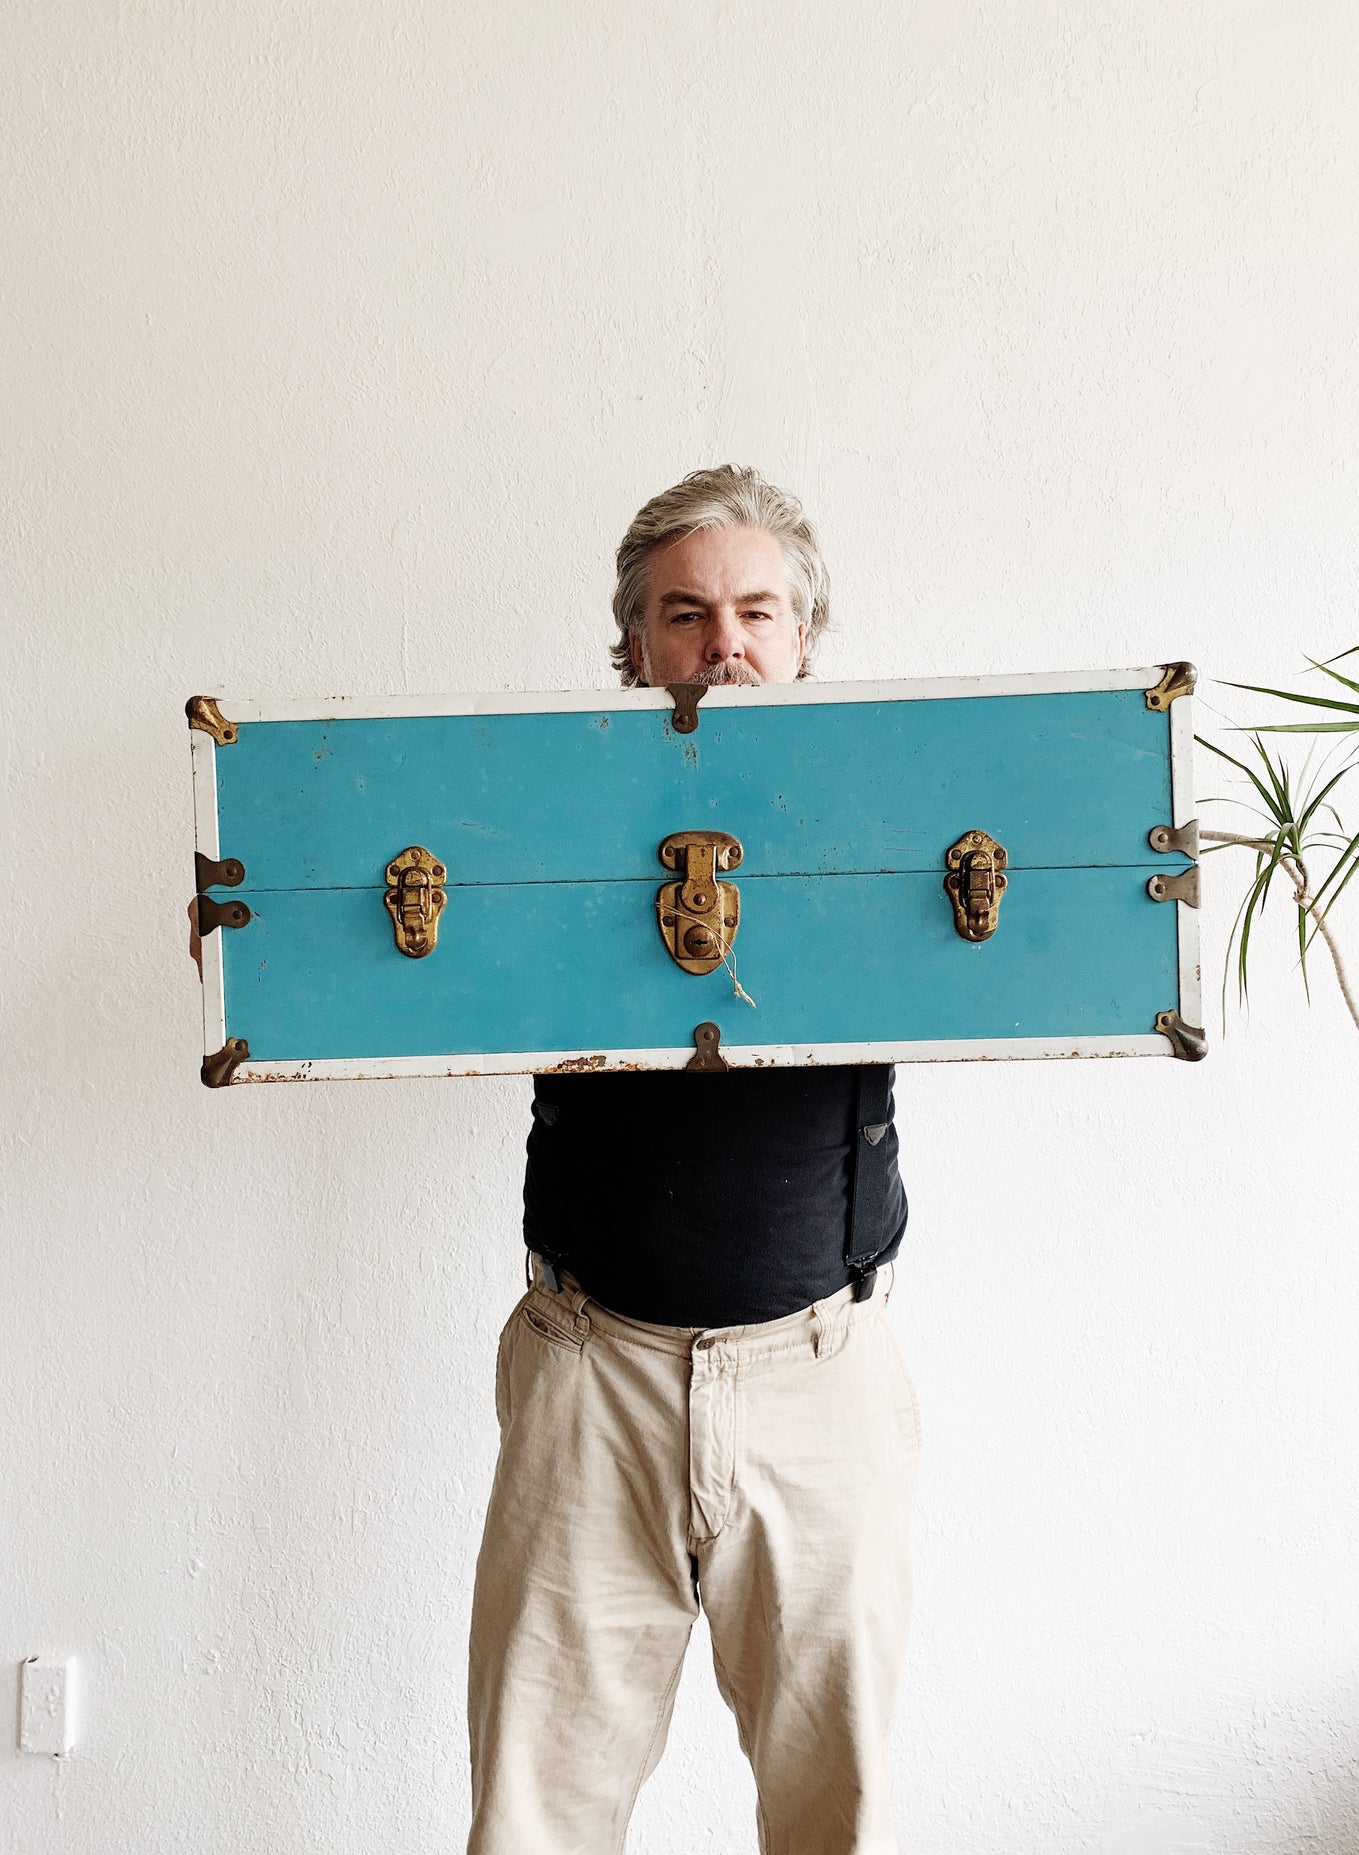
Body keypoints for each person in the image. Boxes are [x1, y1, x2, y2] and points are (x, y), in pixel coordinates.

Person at [466, 466, 919, 1855]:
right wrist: (267, 956)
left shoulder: (894, 814)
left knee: (832, 1811)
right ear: (634, 644)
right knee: (536, 1815)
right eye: (686, 614)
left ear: (802, 637)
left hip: (817, 1379)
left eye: (755, 612)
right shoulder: (534, 821)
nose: (723, 644)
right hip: (589, 1373)